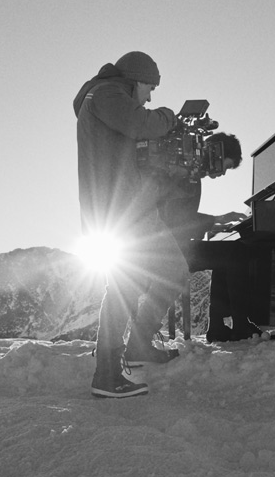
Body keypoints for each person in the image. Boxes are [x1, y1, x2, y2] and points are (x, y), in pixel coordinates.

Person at [74, 51, 188, 398]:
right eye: (150, 88)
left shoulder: (106, 99)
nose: (150, 97)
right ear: (137, 80)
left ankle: (135, 348)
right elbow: (142, 123)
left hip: (125, 208)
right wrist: (170, 117)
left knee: (164, 273)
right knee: (132, 284)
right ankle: (107, 374)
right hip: (121, 210)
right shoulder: (106, 93)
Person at [156, 133, 263, 342]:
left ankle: (218, 327)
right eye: (226, 166)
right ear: (218, 153)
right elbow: (175, 219)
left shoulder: (190, 173)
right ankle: (237, 326)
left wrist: (214, 224)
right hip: (168, 251)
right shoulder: (187, 174)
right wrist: (215, 220)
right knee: (236, 252)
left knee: (228, 254)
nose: (223, 173)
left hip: (171, 246)